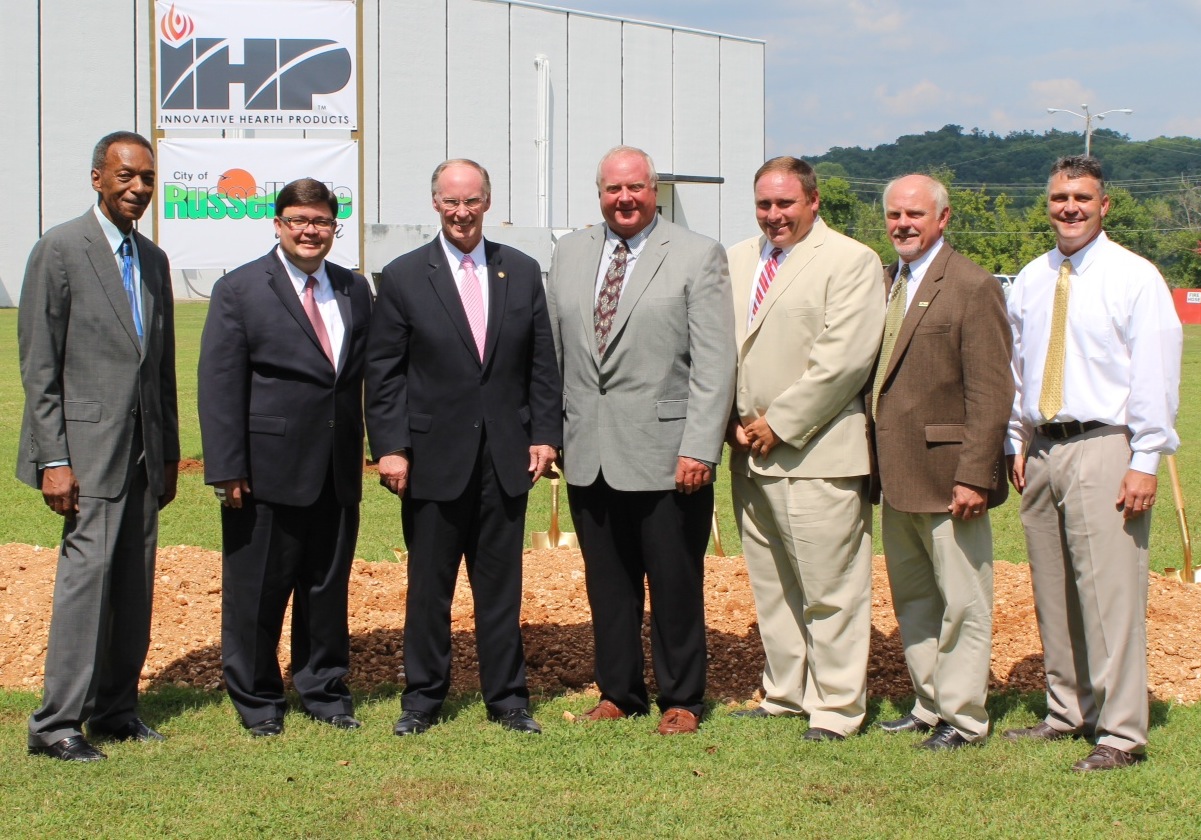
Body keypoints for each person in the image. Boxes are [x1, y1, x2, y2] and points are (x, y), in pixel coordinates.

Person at [365, 159, 561, 736]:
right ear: (435, 204)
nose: (461, 212)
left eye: (471, 201)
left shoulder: (519, 271)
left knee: (501, 588)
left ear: (487, 203)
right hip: (430, 460)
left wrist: (545, 433)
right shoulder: (401, 276)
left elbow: (541, 362)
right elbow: (384, 373)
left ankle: (507, 699)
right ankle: (422, 699)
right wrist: (391, 447)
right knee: (430, 588)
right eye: (451, 202)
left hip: (506, 458)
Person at [546, 145, 735, 735]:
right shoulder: (570, 252)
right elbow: (553, 354)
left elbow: (714, 362)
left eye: (635, 188)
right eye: (612, 189)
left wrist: (700, 446)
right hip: (589, 453)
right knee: (608, 583)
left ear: (654, 190)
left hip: (669, 453)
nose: (624, 199)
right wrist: (552, 435)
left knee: (675, 584)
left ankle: (682, 697)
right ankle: (619, 691)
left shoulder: (698, 254)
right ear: (598, 193)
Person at [1003, 155, 1182, 771]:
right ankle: (1067, 710)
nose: (1069, 207)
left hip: (1106, 444)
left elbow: (1155, 374)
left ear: (1104, 205)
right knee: (1053, 590)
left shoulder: (1135, 277)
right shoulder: (1030, 278)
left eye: (1082, 197)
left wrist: (1146, 458)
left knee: (1109, 593)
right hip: (1042, 446)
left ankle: (1122, 731)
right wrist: (1016, 438)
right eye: (1059, 197)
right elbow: (1018, 369)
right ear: (1047, 204)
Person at [19, 131, 179, 761]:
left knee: (134, 585)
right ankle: (56, 723)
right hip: (85, 455)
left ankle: (117, 709)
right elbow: (40, 367)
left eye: (146, 178)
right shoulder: (61, 249)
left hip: (142, 452)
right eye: (125, 176)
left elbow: (157, 367)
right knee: (87, 585)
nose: (138, 188)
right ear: (97, 178)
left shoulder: (153, 260)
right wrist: (53, 459)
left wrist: (166, 454)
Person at [198, 178, 372, 737]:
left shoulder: (353, 288)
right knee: (258, 590)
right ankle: (257, 699)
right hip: (264, 471)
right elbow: (220, 383)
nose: (309, 230)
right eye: (298, 219)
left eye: (320, 220)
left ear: (333, 226)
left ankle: (323, 688)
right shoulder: (241, 288)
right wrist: (227, 468)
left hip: (336, 468)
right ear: (277, 224)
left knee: (325, 587)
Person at [725, 156, 884, 740]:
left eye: (785, 203)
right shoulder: (739, 259)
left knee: (830, 590)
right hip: (749, 453)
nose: (774, 215)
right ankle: (786, 693)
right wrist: (730, 422)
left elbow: (843, 360)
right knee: (773, 588)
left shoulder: (850, 261)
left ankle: (837, 707)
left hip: (816, 452)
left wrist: (781, 423)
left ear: (814, 201)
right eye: (765, 204)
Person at [869, 174, 1013, 750]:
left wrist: (975, 474)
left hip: (951, 476)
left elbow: (991, 392)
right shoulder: (887, 282)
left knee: (964, 602)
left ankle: (965, 717)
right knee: (916, 599)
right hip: (896, 474)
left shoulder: (973, 286)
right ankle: (929, 703)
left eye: (915, 215)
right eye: (894, 215)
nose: (903, 224)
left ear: (942, 218)